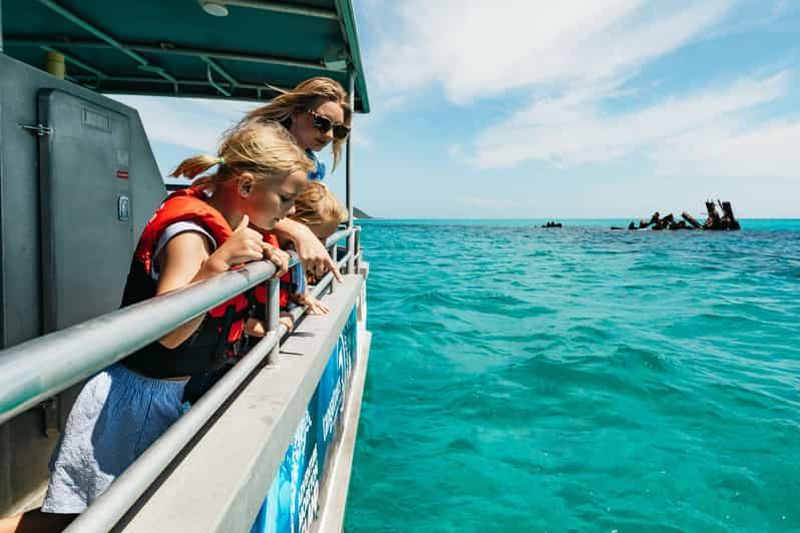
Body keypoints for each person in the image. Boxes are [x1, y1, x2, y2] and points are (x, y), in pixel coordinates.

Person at [0, 122, 312, 533]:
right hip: (137, 401)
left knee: (86, 519)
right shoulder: (189, 235)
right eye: (286, 199)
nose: (289, 212)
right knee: (82, 522)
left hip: (164, 393)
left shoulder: (229, 220)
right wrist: (216, 269)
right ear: (247, 184)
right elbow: (168, 332)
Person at [239, 77, 352, 283]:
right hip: (251, 263)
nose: (329, 135)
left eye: (338, 130)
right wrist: (297, 231)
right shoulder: (260, 150)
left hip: (284, 270)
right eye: (322, 123)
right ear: (295, 113)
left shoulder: (315, 166)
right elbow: (241, 207)